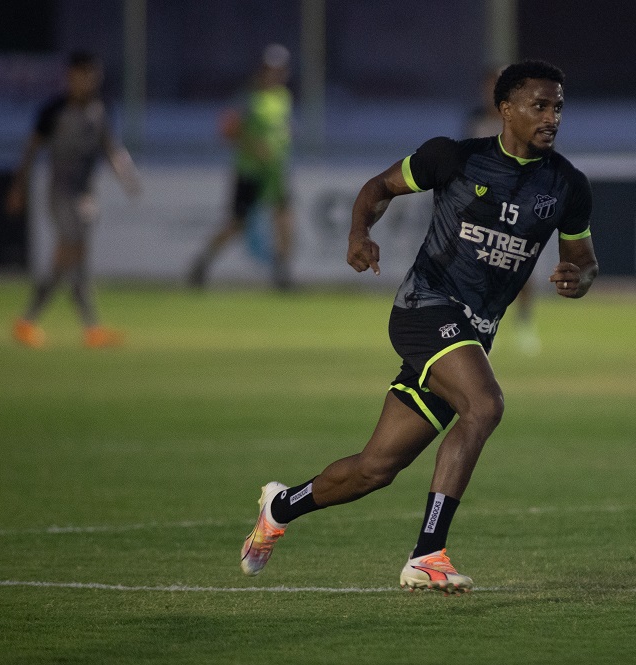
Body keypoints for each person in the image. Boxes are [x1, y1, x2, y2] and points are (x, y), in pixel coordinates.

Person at [239, 60, 599, 593]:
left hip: (473, 333)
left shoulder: (567, 185)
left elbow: (584, 258)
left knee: (374, 469)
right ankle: (428, 554)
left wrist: (580, 276)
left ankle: (281, 506)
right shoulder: (453, 158)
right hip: (424, 306)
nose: (552, 117)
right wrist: (359, 233)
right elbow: (377, 187)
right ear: (505, 109)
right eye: (539, 106)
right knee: (486, 405)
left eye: (558, 107)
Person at [6, 51, 141, 349]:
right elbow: (30, 150)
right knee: (69, 253)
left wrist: (126, 176)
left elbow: (111, 147)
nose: (86, 82)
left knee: (72, 261)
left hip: (85, 194)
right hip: (61, 193)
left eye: (91, 75)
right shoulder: (53, 110)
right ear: (70, 77)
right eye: (80, 75)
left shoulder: (103, 108)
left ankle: (51, 323)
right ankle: (54, 322)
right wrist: (18, 188)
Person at [189, 44, 296, 290]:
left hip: (275, 171)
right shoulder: (249, 97)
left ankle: (282, 273)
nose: (276, 75)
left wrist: (285, 135)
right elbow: (228, 130)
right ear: (262, 70)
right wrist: (252, 145)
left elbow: (281, 128)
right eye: (271, 70)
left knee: (284, 218)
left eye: (280, 70)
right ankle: (202, 262)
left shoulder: (283, 97)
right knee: (236, 223)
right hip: (251, 171)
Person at [465, 65, 541, 355]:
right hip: (484, 204)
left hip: (519, 202)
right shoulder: (476, 120)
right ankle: (480, 328)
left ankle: (524, 326)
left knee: (521, 266)